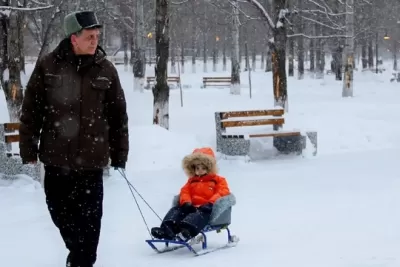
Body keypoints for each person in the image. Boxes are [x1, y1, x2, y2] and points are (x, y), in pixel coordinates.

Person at [19, 10, 129, 267]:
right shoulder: (48, 66)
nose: (95, 41)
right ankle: (78, 257)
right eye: (90, 36)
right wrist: (28, 150)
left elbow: (118, 117)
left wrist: (120, 154)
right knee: (61, 217)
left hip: (91, 164)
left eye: (97, 36)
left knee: (90, 230)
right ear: (73, 38)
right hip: (57, 162)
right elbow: (31, 112)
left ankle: (81, 261)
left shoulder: (106, 70)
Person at [151, 147, 230, 240]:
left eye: (203, 168)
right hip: (191, 206)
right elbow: (185, 191)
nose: (200, 170)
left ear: (209, 168)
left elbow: (222, 191)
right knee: (176, 210)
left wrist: (211, 203)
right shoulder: (192, 181)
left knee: (198, 216)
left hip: (206, 208)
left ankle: (187, 232)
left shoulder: (218, 180)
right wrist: (186, 202)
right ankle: (167, 229)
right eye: (197, 168)